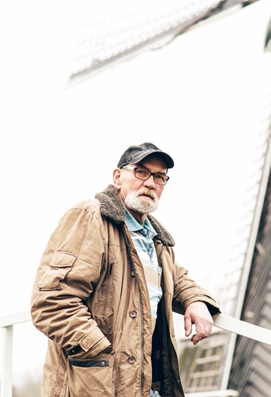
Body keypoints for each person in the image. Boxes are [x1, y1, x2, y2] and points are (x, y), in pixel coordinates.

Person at [30, 142, 220, 397]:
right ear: (117, 177)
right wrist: (102, 353)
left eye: (159, 177)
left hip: (143, 386)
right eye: (141, 172)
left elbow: (177, 278)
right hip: (95, 385)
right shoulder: (91, 216)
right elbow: (50, 301)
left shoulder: (156, 240)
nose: (150, 183)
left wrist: (195, 300)